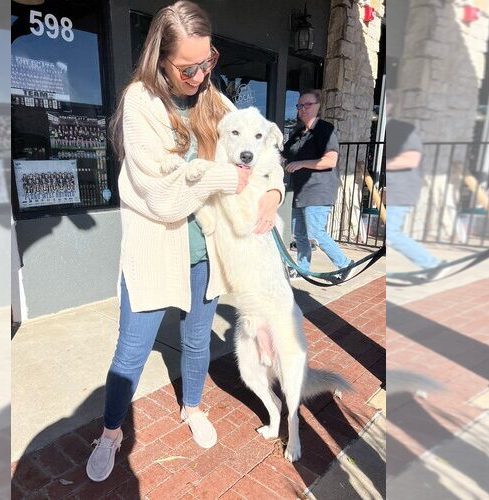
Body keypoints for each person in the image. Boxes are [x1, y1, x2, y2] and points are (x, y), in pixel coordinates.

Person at [86, 1, 285, 482]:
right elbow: (163, 197)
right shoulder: (140, 103)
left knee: (197, 341)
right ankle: (111, 433)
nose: (199, 75)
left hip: (207, 253)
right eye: (188, 67)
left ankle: (192, 407)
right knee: (131, 351)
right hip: (154, 249)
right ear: (161, 57)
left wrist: (274, 189)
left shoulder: (214, 101)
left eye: (207, 62)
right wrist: (219, 173)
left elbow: (258, 147)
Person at [282, 89, 353, 279]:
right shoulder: (298, 133)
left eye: (308, 104)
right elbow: (283, 155)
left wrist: (301, 163)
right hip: (301, 191)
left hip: (319, 190)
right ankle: (302, 268)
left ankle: (345, 264)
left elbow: (330, 160)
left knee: (315, 232)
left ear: (318, 106)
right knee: (300, 234)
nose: (302, 109)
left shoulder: (324, 129)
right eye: (299, 105)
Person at [385, 90, 445, 276]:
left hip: (402, 189)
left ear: (391, 105)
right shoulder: (391, 128)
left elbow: (411, 159)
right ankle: (431, 264)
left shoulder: (401, 128)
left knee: (392, 234)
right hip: (397, 189)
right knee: (392, 234)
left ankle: (433, 264)